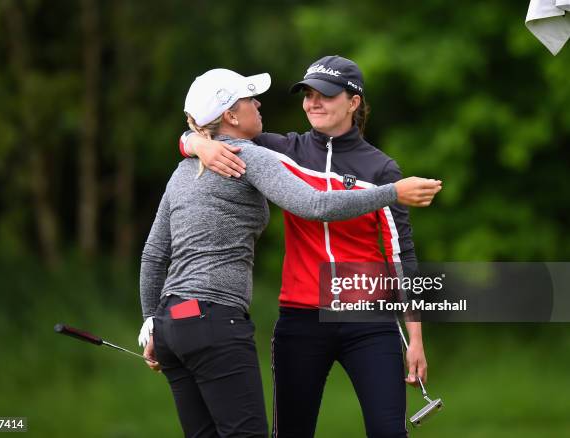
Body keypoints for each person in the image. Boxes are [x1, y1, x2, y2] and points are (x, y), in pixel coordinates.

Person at [140, 67, 441, 438]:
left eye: (325, 94)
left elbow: (401, 256)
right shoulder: (277, 149)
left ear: (354, 102)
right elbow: (206, 128)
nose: (313, 102)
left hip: (368, 317)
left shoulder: (381, 168)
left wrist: (416, 338)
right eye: (308, 94)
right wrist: (196, 143)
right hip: (301, 317)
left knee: (388, 432)